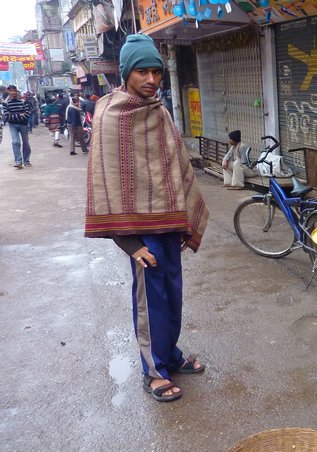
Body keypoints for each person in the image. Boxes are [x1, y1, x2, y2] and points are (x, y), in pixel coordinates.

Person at [84, 33, 210, 403]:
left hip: (169, 228)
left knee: (173, 296)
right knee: (150, 302)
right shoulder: (110, 114)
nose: (151, 79)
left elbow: (176, 168)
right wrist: (130, 244)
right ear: (126, 74)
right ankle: (153, 371)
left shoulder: (159, 111)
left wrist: (185, 220)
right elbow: (105, 182)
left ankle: (170, 355)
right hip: (141, 235)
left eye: (156, 71)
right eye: (142, 71)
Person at [1, 85, 33, 169]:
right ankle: (18, 161)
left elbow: (27, 114)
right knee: (16, 142)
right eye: (11, 91)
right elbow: (7, 117)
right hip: (13, 125)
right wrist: (19, 114)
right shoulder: (5, 103)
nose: (13, 92)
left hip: (23, 125)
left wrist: (14, 115)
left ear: (17, 91)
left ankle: (26, 161)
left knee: (25, 143)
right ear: (8, 92)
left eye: (14, 90)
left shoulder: (23, 101)